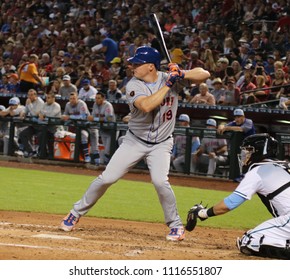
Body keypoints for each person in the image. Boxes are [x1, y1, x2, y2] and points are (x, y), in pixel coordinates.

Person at [59, 46, 210, 241]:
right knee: (107, 178)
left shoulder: (169, 77)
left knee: (160, 181)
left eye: (137, 63)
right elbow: (147, 105)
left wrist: (181, 73)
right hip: (135, 141)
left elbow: (204, 74)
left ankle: (175, 225)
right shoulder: (133, 85)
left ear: (150, 67)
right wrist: (169, 83)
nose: (132, 66)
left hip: (162, 143)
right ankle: (75, 213)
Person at [186, 133, 290, 259]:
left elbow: (230, 204)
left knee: (248, 241)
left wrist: (203, 213)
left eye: (249, 151)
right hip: (287, 221)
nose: (245, 155)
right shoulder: (283, 166)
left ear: (260, 151)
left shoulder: (256, 172)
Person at [61, 92, 99, 163]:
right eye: (71, 99)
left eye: (74, 98)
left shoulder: (81, 104)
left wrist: (69, 117)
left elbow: (83, 117)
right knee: (81, 136)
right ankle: (85, 156)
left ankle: (94, 160)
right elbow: (65, 115)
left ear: (77, 98)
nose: (72, 100)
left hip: (89, 126)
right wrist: (63, 117)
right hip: (79, 127)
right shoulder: (68, 105)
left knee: (94, 146)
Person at [88, 92, 116, 165]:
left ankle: (109, 166)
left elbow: (109, 118)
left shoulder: (108, 105)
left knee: (108, 151)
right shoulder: (95, 105)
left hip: (111, 131)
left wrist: (95, 119)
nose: (97, 100)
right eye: (96, 98)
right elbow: (92, 116)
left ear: (103, 99)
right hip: (103, 130)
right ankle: (107, 166)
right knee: (106, 150)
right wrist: (92, 118)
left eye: (99, 98)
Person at [16, 89, 45, 157]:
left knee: (40, 137)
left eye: (32, 95)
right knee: (23, 134)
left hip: (42, 126)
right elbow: (25, 110)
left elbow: (35, 114)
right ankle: (31, 151)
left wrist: (30, 104)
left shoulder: (40, 102)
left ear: (35, 95)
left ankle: (42, 154)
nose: (30, 97)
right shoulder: (29, 101)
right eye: (29, 95)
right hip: (33, 125)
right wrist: (22, 113)